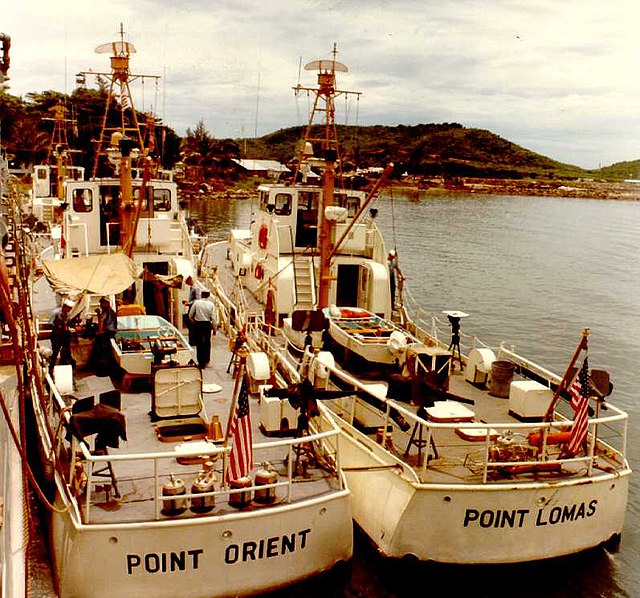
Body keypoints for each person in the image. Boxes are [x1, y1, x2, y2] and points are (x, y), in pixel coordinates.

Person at [87, 297, 118, 375]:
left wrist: (99, 332)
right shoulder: (110, 311)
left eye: (102, 304)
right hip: (111, 332)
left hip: (107, 333)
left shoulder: (107, 311)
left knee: (98, 348)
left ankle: (94, 366)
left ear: (106, 303)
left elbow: (101, 321)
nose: (101, 305)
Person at [188, 290, 217, 369]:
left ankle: (201, 362)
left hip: (198, 324)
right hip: (207, 324)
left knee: (199, 343)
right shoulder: (211, 304)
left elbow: (190, 315)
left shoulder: (196, 303)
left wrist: (194, 323)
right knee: (207, 343)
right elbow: (213, 318)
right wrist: (214, 328)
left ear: (201, 295)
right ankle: (207, 360)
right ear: (208, 295)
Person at [49, 298, 76, 374]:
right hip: (56, 336)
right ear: (65, 306)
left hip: (64, 336)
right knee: (55, 352)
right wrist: (61, 327)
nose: (70, 310)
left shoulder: (67, 313)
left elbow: (67, 323)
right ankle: (51, 369)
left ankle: (66, 367)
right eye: (69, 308)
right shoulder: (56, 313)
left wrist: (68, 328)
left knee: (67, 351)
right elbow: (51, 324)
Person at [183, 275, 202, 345]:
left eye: (187, 282)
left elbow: (197, 300)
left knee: (192, 325)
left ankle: (194, 341)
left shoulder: (196, 288)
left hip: (194, 309)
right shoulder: (192, 288)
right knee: (190, 325)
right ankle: (192, 340)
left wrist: (189, 303)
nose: (187, 284)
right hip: (191, 308)